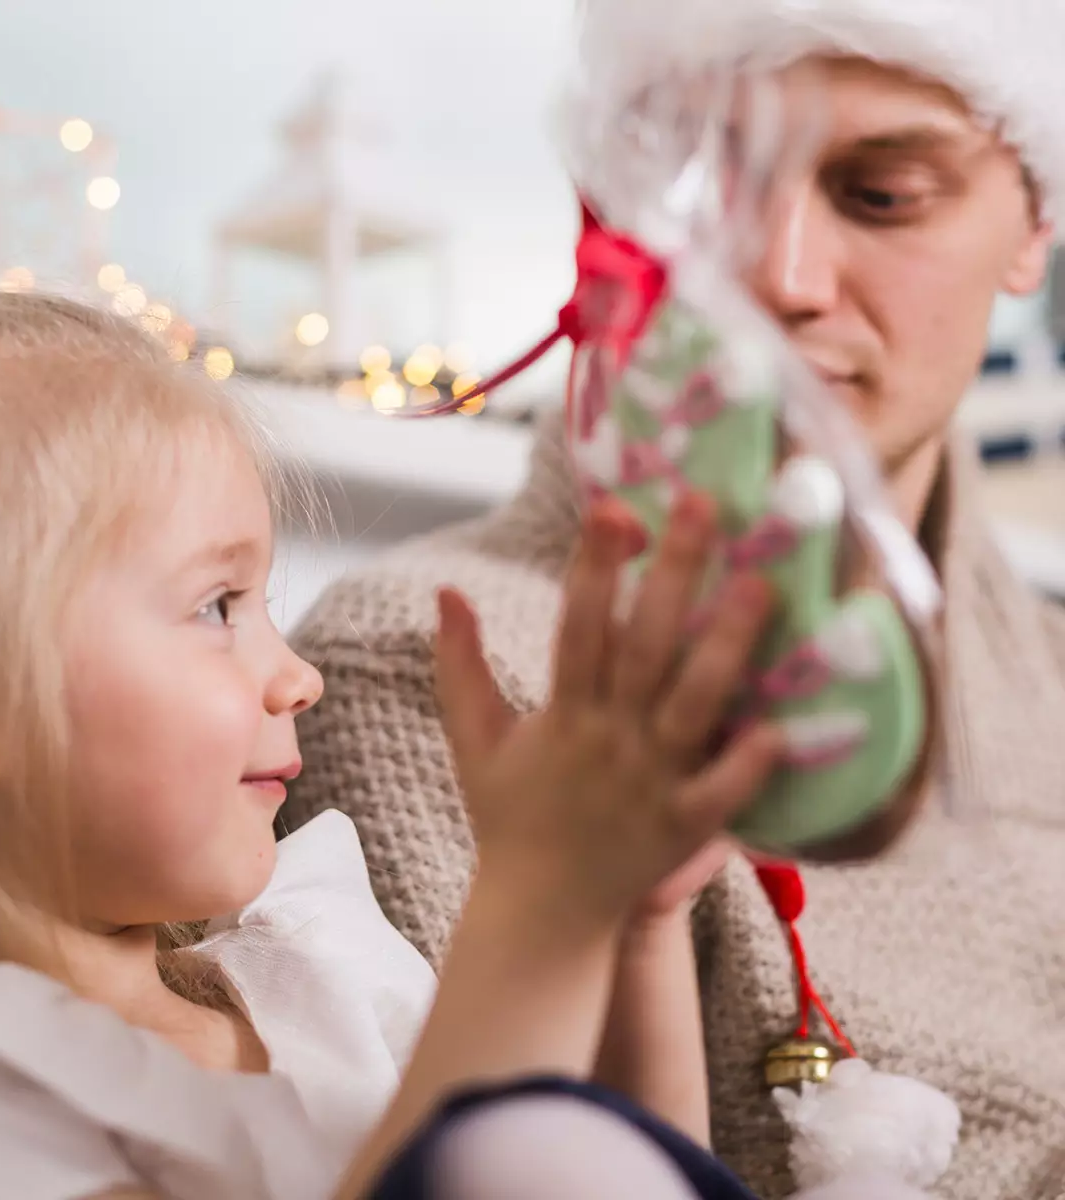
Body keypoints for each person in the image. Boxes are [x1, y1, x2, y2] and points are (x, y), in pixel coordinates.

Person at [283, 7, 1065, 1198]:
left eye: (883, 196)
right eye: (713, 191)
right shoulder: (426, 675)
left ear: (1037, 221)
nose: (782, 277)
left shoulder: (1050, 678)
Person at [0, 291, 793, 1199]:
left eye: (263, 603)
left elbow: (616, 1173)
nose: (298, 676)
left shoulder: (321, 976)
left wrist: (636, 920)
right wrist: (529, 911)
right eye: (215, 607)